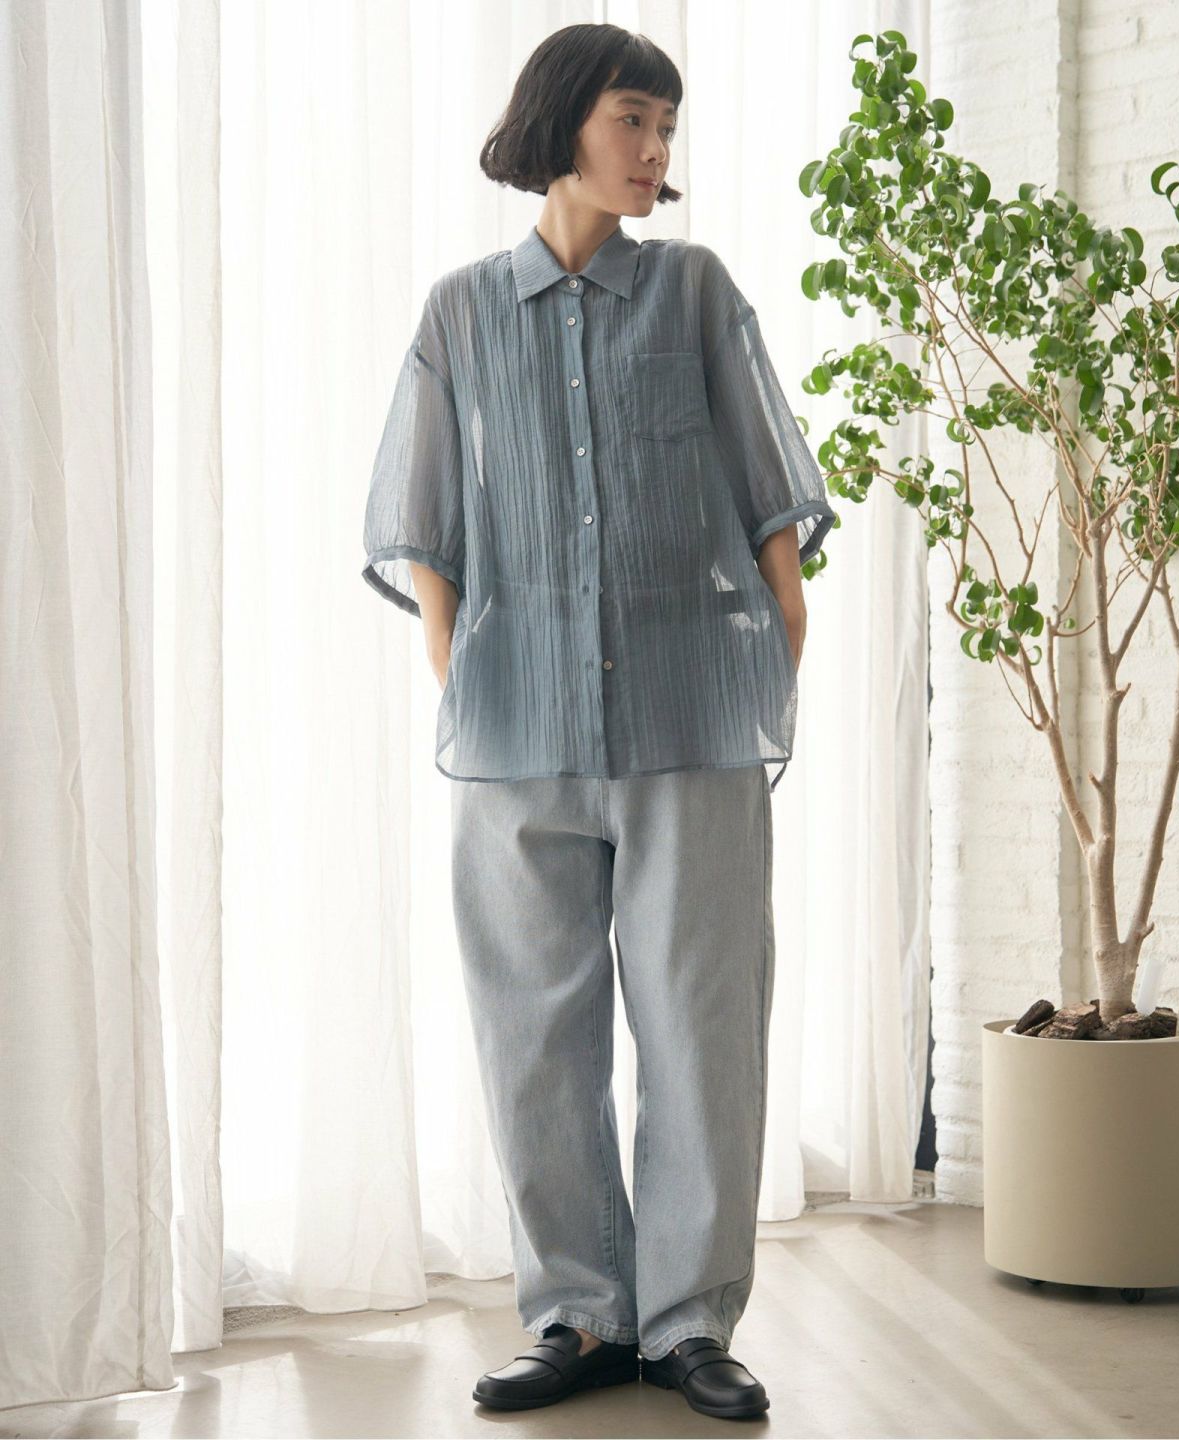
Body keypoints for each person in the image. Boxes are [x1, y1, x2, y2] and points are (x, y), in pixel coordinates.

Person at [361, 22, 835, 1422]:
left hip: (691, 723)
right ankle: (579, 1317)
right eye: (635, 119)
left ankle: (690, 1325)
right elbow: (423, 519)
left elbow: (769, 489)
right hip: (517, 736)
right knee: (533, 1039)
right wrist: (459, 665)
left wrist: (783, 627)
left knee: (702, 1032)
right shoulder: (460, 313)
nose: (655, 150)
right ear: (566, 118)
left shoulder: (694, 291)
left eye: (667, 128)